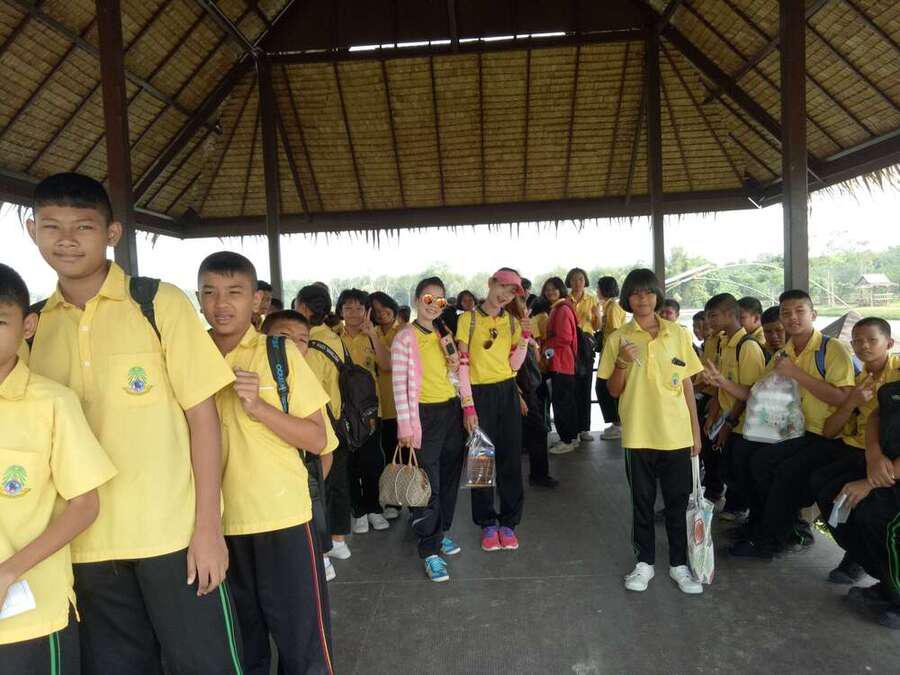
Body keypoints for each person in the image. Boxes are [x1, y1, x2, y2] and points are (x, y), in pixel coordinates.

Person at [26, 173, 242, 673]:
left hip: (174, 536)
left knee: (205, 664)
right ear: (33, 231)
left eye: (83, 226)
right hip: (83, 545)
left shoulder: (157, 303)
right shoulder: (32, 328)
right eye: (51, 226)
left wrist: (208, 528)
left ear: (111, 233)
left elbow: (204, 419)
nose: (66, 239)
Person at [198, 252, 336, 674]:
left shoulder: (279, 353)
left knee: (303, 649)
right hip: (214, 528)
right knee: (241, 650)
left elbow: (317, 439)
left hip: (283, 520)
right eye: (210, 292)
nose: (221, 303)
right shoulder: (187, 356)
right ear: (198, 298)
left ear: (256, 300)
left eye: (234, 292)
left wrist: (259, 407)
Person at [0, 264, 117, 673]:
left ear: (27, 326)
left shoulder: (52, 403)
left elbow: (85, 505)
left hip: (33, 616)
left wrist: (9, 572)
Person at [598, 268, 704, 595]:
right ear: (627, 298)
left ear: (657, 296)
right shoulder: (618, 338)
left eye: (648, 292)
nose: (642, 299)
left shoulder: (678, 334)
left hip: (676, 434)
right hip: (638, 434)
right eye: (635, 293)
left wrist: (695, 431)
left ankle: (678, 564)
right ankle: (644, 562)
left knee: (677, 502)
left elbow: (687, 384)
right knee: (641, 502)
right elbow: (613, 391)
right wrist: (621, 363)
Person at [729, 290, 856, 559]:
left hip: (827, 435)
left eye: (799, 311)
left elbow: (843, 398)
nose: (792, 317)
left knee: (782, 470)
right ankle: (764, 523)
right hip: (793, 432)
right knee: (743, 455)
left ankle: (776, 538)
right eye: (786, 313)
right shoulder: (783, 353)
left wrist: (795, 373)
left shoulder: (831, 349)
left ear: (813, 314)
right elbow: (758, 392)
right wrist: (721, 382)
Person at [391, 277, 467, 582]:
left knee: (448, 479)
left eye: (440, 300)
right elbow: (399, 385)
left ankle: (440, 532)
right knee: (428, 485)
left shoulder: (442, 333)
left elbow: (454, 375)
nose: (434, 305)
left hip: (450, 411)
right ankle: (429, 549)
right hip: (423, 416)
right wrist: (405, 427)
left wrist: (456, 372)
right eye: (428, 298)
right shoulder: (404, 338)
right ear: (416, 300)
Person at [811, 318, 898, 584]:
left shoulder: (897, 374)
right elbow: (831, 430)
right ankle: (858, 553)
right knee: (822, 485)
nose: (864, 346)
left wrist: (872, 473)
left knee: (866, 509)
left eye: (872, 340)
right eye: (858, 341)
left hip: (889, 459)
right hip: (864, 452)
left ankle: (882, 576)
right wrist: (851, 402)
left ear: (889, 343)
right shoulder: (860, 380)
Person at [457, 268, 530, 552]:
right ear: (490, 283)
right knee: (481, 462)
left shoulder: (512, 322)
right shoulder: (468, 320)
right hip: (479, 394)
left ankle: (509, 523)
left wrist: (524, 337)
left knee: (511, 460)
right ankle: (487, 523)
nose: (505, 296)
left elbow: (514, 365)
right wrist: (468, 406)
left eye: (512, 293)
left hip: (507, 392)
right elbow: (462, 366)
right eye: (502, 288)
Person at [296, 284, 352, 562]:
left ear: (304, 308)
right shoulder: (334, 337)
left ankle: (323, 553)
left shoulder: (307, 347)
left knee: (318, 487)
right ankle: (340, 541)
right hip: (341, 420)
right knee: (339, 483)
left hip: (319, 424)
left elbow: (306, 394)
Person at [701, 294, 767, 513]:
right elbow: (720, 386)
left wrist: (729, 424)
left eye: (713, 316)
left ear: (730, 315)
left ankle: (740, 512)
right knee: (726, 466)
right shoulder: (723, 343)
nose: (708, 321)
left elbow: (750, 392)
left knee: (741, 470)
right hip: (725, 417)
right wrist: (713, 414)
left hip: (743, 423)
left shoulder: (747, 346)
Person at [836, 409, 900, 629]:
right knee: (859, 508)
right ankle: (888, 586)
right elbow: (877, 414)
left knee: (888, 521)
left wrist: (870, 483)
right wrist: (873, 453)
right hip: (890, 471)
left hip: (891, 475)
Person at [336, 289, 392, 534]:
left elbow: (387, 365)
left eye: (359, 308)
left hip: (370, 411)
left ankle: (374, 508)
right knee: (349, 463)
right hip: (344, 411)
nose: (354, 313)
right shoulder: (334, 337)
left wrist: (373, 336)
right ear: (340, 311)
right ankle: (358, 511)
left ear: (367, 311)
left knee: (372, 461)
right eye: (348, 308)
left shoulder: (374, 334)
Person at [508, 294, 557, 488]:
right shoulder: (510, 329)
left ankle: (527, 477)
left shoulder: (523, 328)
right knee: (535, 432)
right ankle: (536, 476)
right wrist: (517, 393)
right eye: (521, 302)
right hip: (521, 389)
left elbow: (535, 358)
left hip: (529, 387)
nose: (525, 305)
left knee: (528, 434)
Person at [370, 291, 403, 520]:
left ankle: (405, 500)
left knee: (401, 455)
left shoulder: (403, 332)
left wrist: (374, 337)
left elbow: (388, 364)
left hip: (399, 403)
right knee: (386, 455)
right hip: (376, 404)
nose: (382, 314)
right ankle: (392, 499)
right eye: (376, 311)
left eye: (384, 308)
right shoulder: (370, 333)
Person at [539, 277, 579, 456]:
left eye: (554, 289)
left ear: (561, 289)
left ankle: (566, 440)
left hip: (561, 362)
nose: (550, 292)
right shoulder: (562, 307)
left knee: (561, 403)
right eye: (547, 289)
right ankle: (572, 437)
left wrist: (545, 347)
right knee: (567, 402)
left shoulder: (561, 309)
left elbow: (564, 338)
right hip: (564, 362)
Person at [565, 267, 599, 442]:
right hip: (569, 346)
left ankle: (584, 428)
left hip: (585, 346)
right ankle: (573, 430)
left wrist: (596, 315)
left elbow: (597, 327)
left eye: (580, 279)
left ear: (585, 281)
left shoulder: (592, 300)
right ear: (569, 282)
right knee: (570, 387)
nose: (577, 282)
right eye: (573, 279)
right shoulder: (565, 300)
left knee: (585, 386)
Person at [595, 276, 627, 441]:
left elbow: (615, 332)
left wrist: (613, 357)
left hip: (612, 355)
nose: (597, 291)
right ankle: (617, 423)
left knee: (604, 387)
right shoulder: (609, 306)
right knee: (604, 387)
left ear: (603, 289)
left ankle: (618, 424)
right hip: (609, 354)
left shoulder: (613, 307)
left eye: (598, 288)